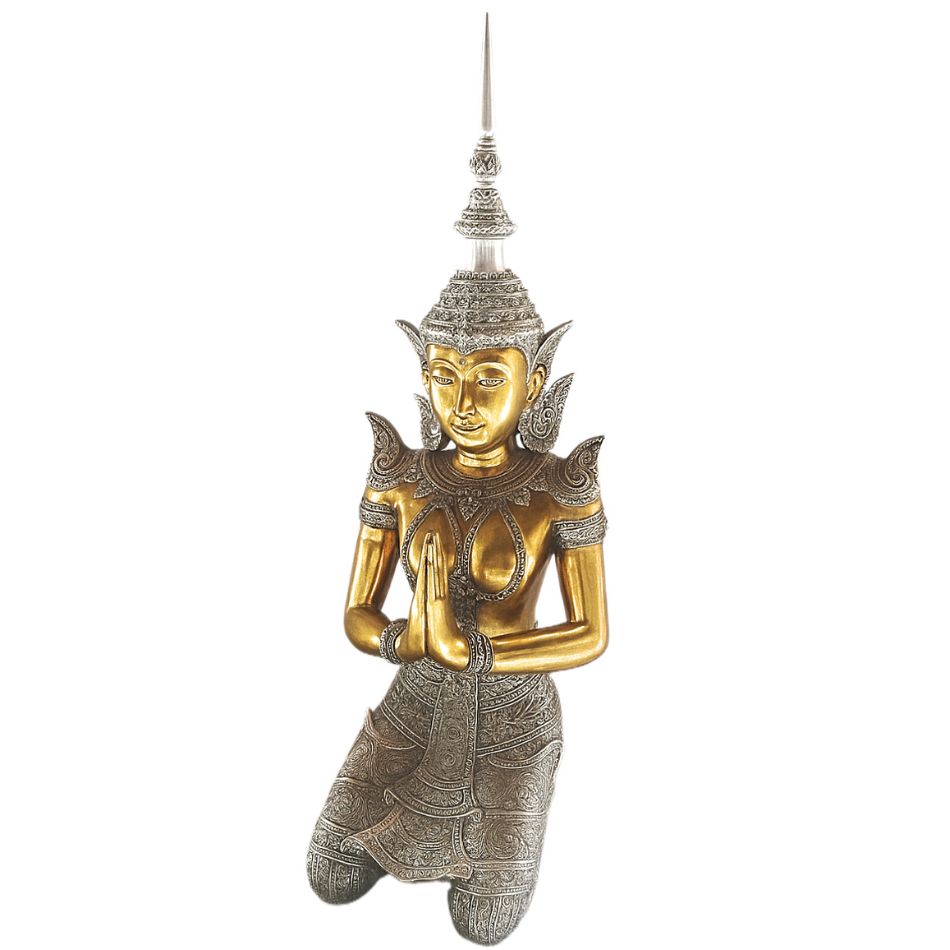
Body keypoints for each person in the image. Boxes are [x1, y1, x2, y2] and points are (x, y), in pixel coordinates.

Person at [307, 18, 609, 945]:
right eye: (445, 375)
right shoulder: (403, 471)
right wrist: (408, 636)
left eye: (487, 377)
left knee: (484, 921)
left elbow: (591, 633)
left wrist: (472, 651)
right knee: (329, 875)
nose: (463, 400)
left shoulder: (561, 484)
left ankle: (514, 810)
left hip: (513, 711)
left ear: (533, 376)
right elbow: (356, 613)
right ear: (423, 370)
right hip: (416, 696)